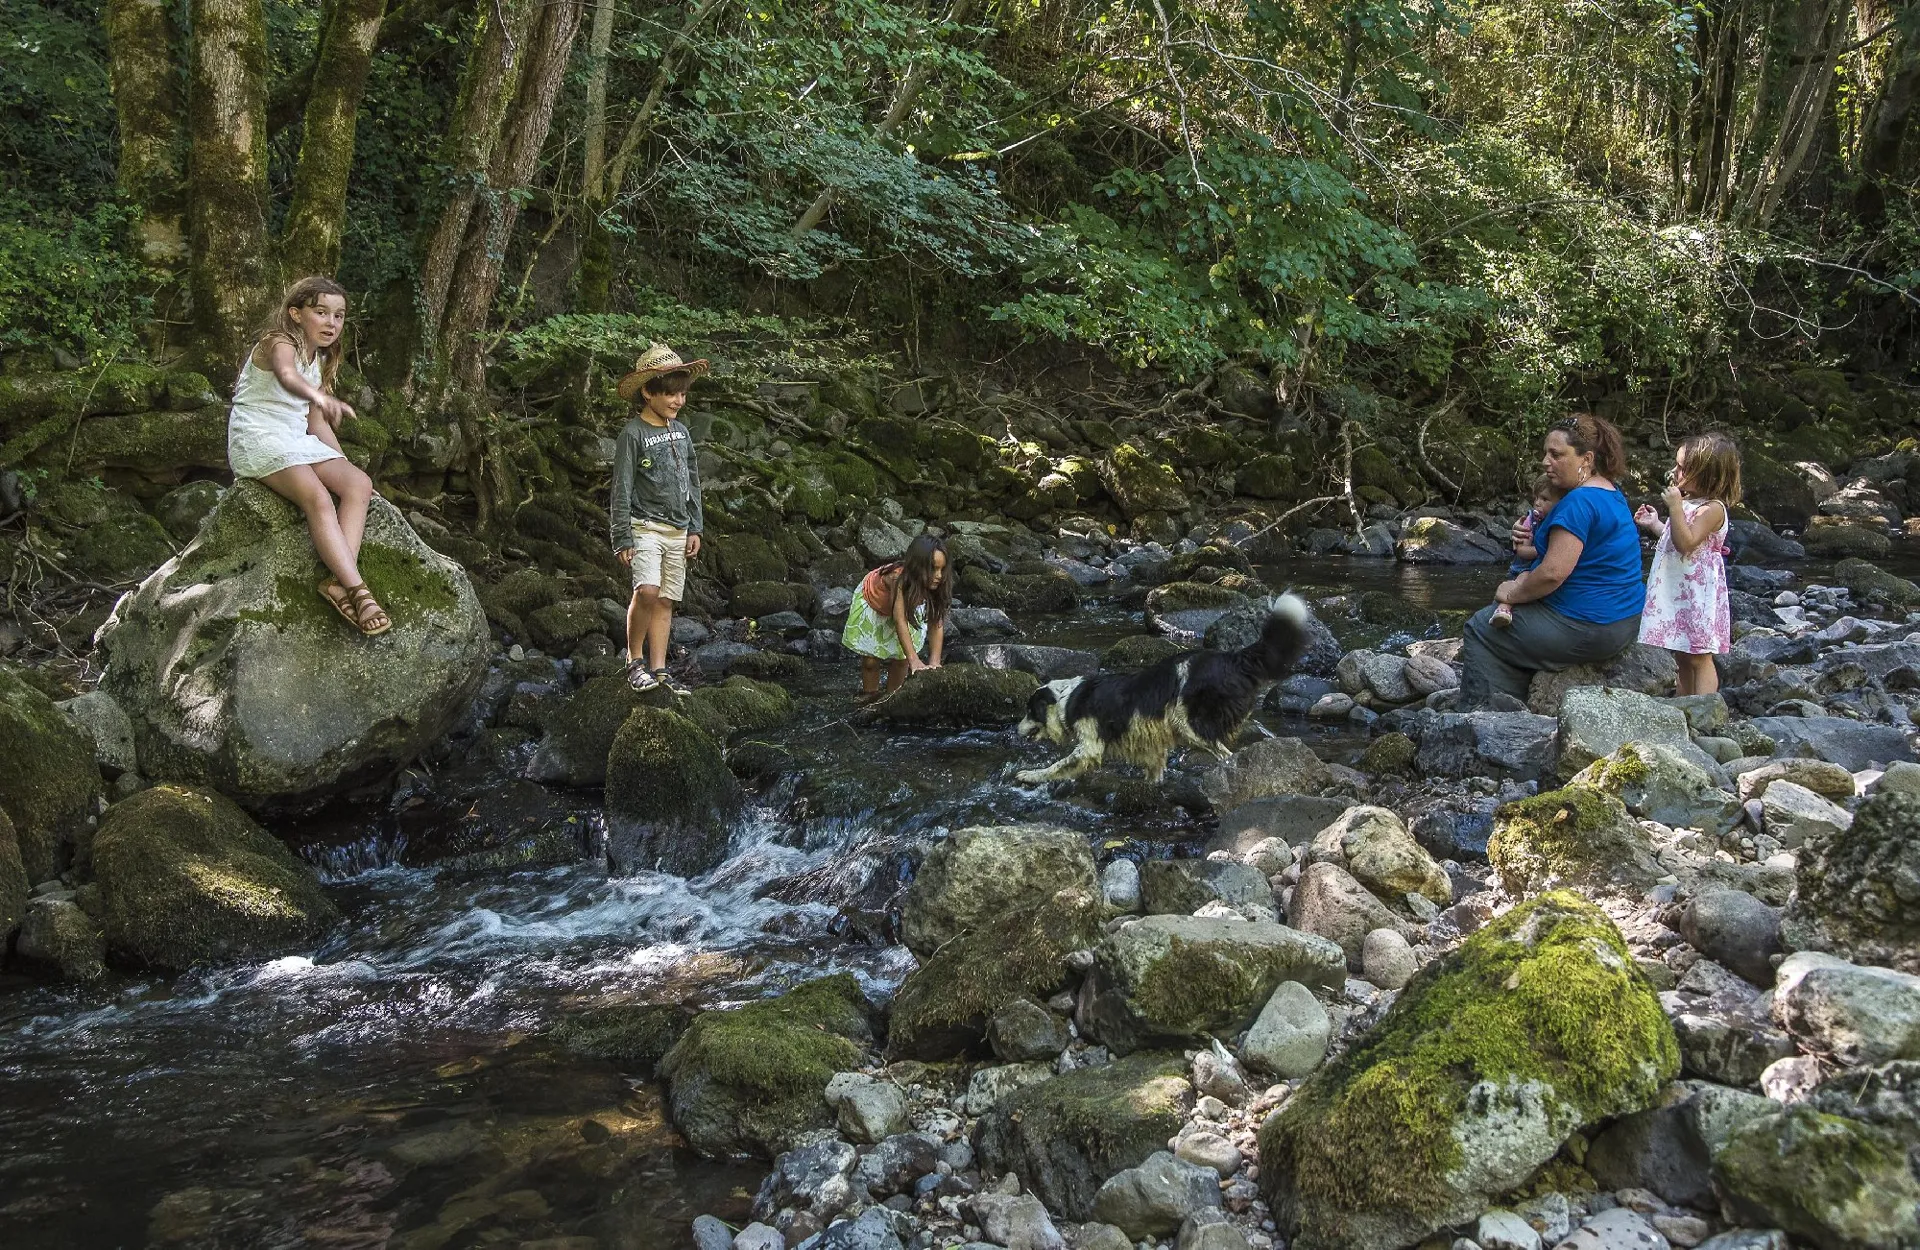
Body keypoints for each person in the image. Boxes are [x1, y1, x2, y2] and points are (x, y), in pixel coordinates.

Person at [228, 275, 389, 636]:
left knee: (359, 484)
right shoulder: (277, 343)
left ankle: (337, 581)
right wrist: (318, 396)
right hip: (258, 436)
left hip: (293, 439)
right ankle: (359, 591)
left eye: (339, 316)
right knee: (317, 497)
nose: (332, 323)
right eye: (321, 312)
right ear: (296, 314)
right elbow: (286, 376)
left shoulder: (319, 360)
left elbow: (315, 423)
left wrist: (343, 466)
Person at [1458, 413, 1645, 708]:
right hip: (1625, 619)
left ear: (1586, 458)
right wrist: (1531, 537)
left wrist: (1513, 593)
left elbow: (1552, 573)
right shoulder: (1609, 492)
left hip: (1591, 627)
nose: (1546, 462)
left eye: (1556, 455)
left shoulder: (1578, 502)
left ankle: (1487, 717)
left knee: (1481, 628)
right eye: (1546, 453)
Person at [610, 343, 708, 693]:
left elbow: (692, 480)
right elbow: (620, 488)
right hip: (645, 526)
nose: (678, 401)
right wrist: (621, 535)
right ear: (648, 392)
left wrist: (695, 526)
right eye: (670, 394)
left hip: (678, 529)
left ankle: (660, 669)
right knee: (647, 590)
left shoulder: (681, 432)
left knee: (666, 598)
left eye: (682, 394)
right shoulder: (632, 434)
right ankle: (634, 661)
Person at [1636, 432, 1739, 695]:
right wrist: (1656, 524)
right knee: (1681, 652)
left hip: (1696, 595)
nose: (1675, 471)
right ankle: (1684, 704)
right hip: (1678, 590)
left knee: (1698, 656)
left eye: (1683, 468)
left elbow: (1687, 543)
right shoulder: (1690, 504)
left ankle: (1706, 708)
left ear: (1708, 476)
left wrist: (1675, 507)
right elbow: (1674, 538)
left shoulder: (1712, 509)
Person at [842, 532, 952, 702]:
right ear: (917, 567)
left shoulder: (938, 583)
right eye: (933, 568)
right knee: (871, 661)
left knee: (901, 659)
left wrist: (934, 661)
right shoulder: (898, 579)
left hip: (906, 606)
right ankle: (870, 696)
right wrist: (915, 661)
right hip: (875, 604)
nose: (938, 575)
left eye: (942, 569)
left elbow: (936, 620)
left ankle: (892, 697)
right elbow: (899, 619)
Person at [1491, 475, 1565, 629]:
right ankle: (1504, 608)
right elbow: (1521, 550)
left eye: (1544, 499)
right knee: (1523, 579)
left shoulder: (1562, 521)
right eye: (1536, 498)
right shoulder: (1530, 521)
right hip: (1524, 567)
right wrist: (1543, 550)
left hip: (1543, 568)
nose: (1537, 503)